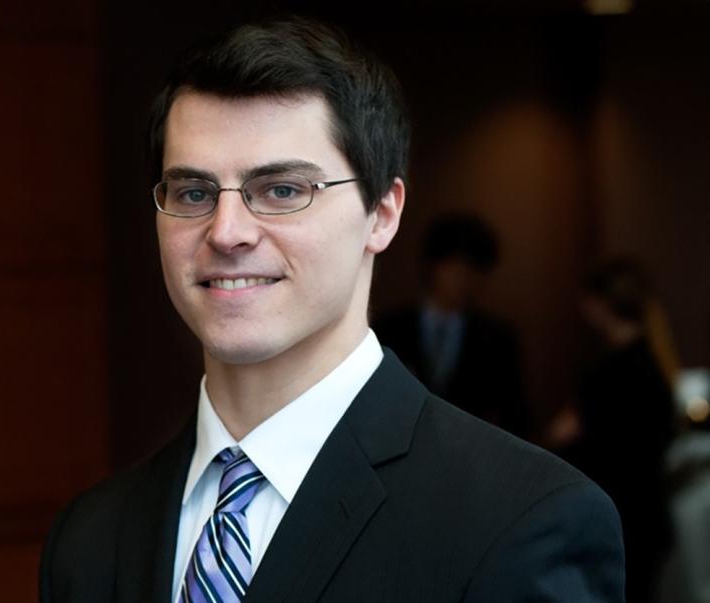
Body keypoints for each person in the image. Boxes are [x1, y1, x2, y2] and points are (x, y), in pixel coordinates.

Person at [39, 16, 624, 603]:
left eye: (283, 190)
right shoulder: (89, 539)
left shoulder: (520, 521)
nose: (227, 232)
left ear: (382, 214)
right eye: (193, 193)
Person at [560, 259, 677, 602]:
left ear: (599, 304)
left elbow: (599, 447)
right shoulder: (651, 361)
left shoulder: (613, 371)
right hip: (643, 514)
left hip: (620, 514)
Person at [374, 214, 532, 439]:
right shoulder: (390, 329)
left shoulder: (497, 337)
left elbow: (515, 413)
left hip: (471, 451)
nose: (465, 281)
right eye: (457, 269)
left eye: (475, 272)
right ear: (433, 267)